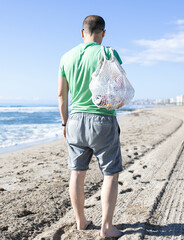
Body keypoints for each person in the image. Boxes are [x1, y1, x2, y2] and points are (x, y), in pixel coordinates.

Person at [57, 15, 123, 238]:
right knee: (110, 173)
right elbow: (118, 87)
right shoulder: (107, 53)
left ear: (81, 32)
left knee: (77, 173)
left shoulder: (66, 57)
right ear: (103, 33)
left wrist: (65, 122)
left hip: (74, 121)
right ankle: (106, 227)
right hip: (102, 119)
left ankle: (80, 221)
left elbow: (60, 95)